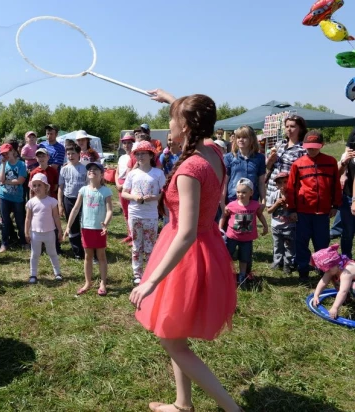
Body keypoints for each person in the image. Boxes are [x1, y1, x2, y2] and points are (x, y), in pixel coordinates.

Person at [130, 90, 242, 412]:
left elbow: (187, 232)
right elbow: (197, 114)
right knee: (176, 334)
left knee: (170, 338)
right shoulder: (213, 152)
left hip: (186, 256)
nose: (168, 124)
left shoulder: (191, 168)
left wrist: (150, 282)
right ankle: (183, 404)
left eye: (172, 118)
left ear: (186, 125)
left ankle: (232, 409)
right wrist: (170, 99)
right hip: (208, 249)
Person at [286, 130, 341, 282]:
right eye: (309, 146)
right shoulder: (298, 164)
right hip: (303, 212)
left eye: (315, 146)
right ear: (304, 146)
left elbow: (336, 185)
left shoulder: (330, 162)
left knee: (322, 243)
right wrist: (292, 209)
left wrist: (335, 205)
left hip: (323, 212)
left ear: (322, 145)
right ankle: (303, 270)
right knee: (301, 242)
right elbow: (291, 188)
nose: (312, 149)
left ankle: (323, 270)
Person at [65, 161, 113, 296]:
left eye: (95, 169)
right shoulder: (83, 190)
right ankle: (88, 282)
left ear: (101, 175)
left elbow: (110, 210)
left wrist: (106, 223)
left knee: (101, 256)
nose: (91, 171)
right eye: (89, 169)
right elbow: (75, 209)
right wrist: (68, 226)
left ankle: (103, 283)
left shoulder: (106, 191)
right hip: (86, 228)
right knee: (88, 256)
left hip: (99, 229)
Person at [121, 141, 166, 285]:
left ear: (151, 155)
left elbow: (164, 193)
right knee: (136, 244)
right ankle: (137, 273)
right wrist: (134, 197)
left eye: (143, 153)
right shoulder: (132, 174)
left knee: (150, 244)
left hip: (151, 214)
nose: (140, 156)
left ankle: (150, 271)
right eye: (138, 154)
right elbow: (124, 193)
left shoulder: (158, 173)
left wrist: (154, 197)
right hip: (135, 213)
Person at [220, 178, 268, 286]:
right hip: (231, 236)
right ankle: (226, 273)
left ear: (251, 193)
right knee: (227, 255)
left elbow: (260, 215)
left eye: (244, 192)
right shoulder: (232, 205)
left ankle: (242, 275)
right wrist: (220, 228)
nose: (240, 194)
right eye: (238, 192)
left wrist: (265, 226)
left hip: (247, 239)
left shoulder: (255, 205)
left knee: (244, 258)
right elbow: (224, 216)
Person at [25, 173, 63, 284]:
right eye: (34, 185)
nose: (36, 188)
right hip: (35, 233)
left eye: (39, 185)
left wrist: (59, 230)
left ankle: (57, 273)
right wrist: (26, 232)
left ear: (46, 187)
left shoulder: (52, 201)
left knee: (52, 253)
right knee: (35, 254)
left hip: (50, 232)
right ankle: (33, 274)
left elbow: (56, 217)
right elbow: (28, 218)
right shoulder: (31, 202)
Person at [265, 115, 307, 201]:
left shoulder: (303, 148)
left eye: (292, 126)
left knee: (289, 213)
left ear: (301, 129)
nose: (289, 129)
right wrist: (270, 161)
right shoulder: (279, 144)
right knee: (274, 213)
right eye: (287, 126)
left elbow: (304, 172)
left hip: (290, 189)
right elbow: (268, 167)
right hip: (273, 188)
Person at [223, 126, 266, 207]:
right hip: (233, 199)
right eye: (238, 137)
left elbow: (261, 182)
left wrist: (263, 200)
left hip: (251, 199)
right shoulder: (229, 157)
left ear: (252, 139)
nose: (241, 140)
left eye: (244, 137)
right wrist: (222, 202)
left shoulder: (260, 158)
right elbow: (224, 182)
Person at [311, 244, 355, 319]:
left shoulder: (346, 272)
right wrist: (316, 295)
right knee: (333, 278)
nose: (327, 271)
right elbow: (323, 281)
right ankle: (346, 299)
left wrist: (335, 307)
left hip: (350, 280)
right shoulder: (333, 268)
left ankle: (347, 297)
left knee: (352, 288)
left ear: (336, 263)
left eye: (328, 269)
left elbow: (343, 291)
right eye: (325, 269)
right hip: (349, 280)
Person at [58, 143, 87, 259]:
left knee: (85, 224)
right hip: (69, 199)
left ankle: (88, 249)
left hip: (83, 199)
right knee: (72, 225)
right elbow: (61, 187)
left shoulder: (85, 168)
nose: (70, 156)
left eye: (73, 153)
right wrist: (60, 204)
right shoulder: (64, 169)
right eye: (68, 154)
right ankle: (77, 251)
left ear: (79, 154)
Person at [0, 142, 28, 252]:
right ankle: (4, 243)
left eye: (7, 153)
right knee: (5, 221)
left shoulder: (21, 164)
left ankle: (24, 241)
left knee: (20, 221)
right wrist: (4, 166)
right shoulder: (3, 164)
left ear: (13, 152)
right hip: (4, 196)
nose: (5, 156)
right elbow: (1, 179)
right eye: (3, 154)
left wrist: (6, 181)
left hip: (17, 197)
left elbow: (20, 180)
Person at [266, 172, 296, 274]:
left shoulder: (293, 196)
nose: (283, 185)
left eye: (285, 182)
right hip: (276, 226)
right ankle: (277, 262)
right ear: (276, 185)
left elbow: (295, 211)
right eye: (280, 183)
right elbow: (269, 211)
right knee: (277, 245)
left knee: (289, 246)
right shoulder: (274, 195)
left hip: (289, 226)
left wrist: (286, 206)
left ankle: (287, 264)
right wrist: (277, 203)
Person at [116, 133, 134, 243]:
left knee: (132, 210)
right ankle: (129, 234)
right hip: (121, 184)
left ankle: (134, 235)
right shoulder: (122, 157)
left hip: (130, 185)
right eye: (124, 143)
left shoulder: (135, 156)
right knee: (125, 211)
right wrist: (117, 183)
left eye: (129, 143)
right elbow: (117, 172)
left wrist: (125, 185)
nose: (126, 145)